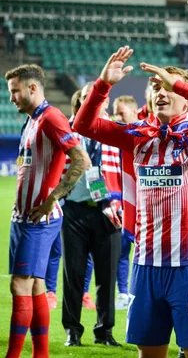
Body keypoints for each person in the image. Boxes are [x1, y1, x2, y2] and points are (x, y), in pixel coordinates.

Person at [73, 46, 188, 358]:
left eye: (170, 88)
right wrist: (104, 83)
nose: (162, 92)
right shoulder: (138, 136)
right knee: (149, 351)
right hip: (145, 263)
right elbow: (83, 125)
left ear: (187, 97)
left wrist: (181, 85)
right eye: (156, 87)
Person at [5, 64, 90, 358]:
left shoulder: (51, 118)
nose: (11, 98)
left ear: (32, 88)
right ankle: (41, 354)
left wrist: (53, 198)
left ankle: (12, 355)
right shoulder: (31, 120)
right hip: (24, 218)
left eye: (15, 91)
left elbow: (81, 160)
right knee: (37, 284)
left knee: (20, 285)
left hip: (37, 220)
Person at [61, 82, 123, 347]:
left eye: (96, 97)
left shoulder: (116, 129)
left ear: (106, 101)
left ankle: (104, 332)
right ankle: (72, 331)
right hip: (74, 210)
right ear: (80, 101)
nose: (91, 101)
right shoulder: (67, 128)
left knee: (107, 276)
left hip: (108, 211)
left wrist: (120, 204)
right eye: (86, 97)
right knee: (72, 275)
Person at [46, 89, 96, 312]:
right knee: (56, 249)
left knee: (89, 255)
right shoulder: (65, 129)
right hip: (66, 200)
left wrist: (107, 199)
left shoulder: (103, 130)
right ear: (77, 105)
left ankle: (84, 293)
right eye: (84, 99)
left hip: (94, 201)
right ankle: (50, 292)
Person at [111, 95, 139, 310]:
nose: (116, 116)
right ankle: (123, 294)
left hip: (144, 207)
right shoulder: (111, 137)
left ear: (134, 112)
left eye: (121, 113)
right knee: (120, 254)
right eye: (115, 112)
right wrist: (107, 201)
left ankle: (137, 293)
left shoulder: (144, 136)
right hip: (116, 206)